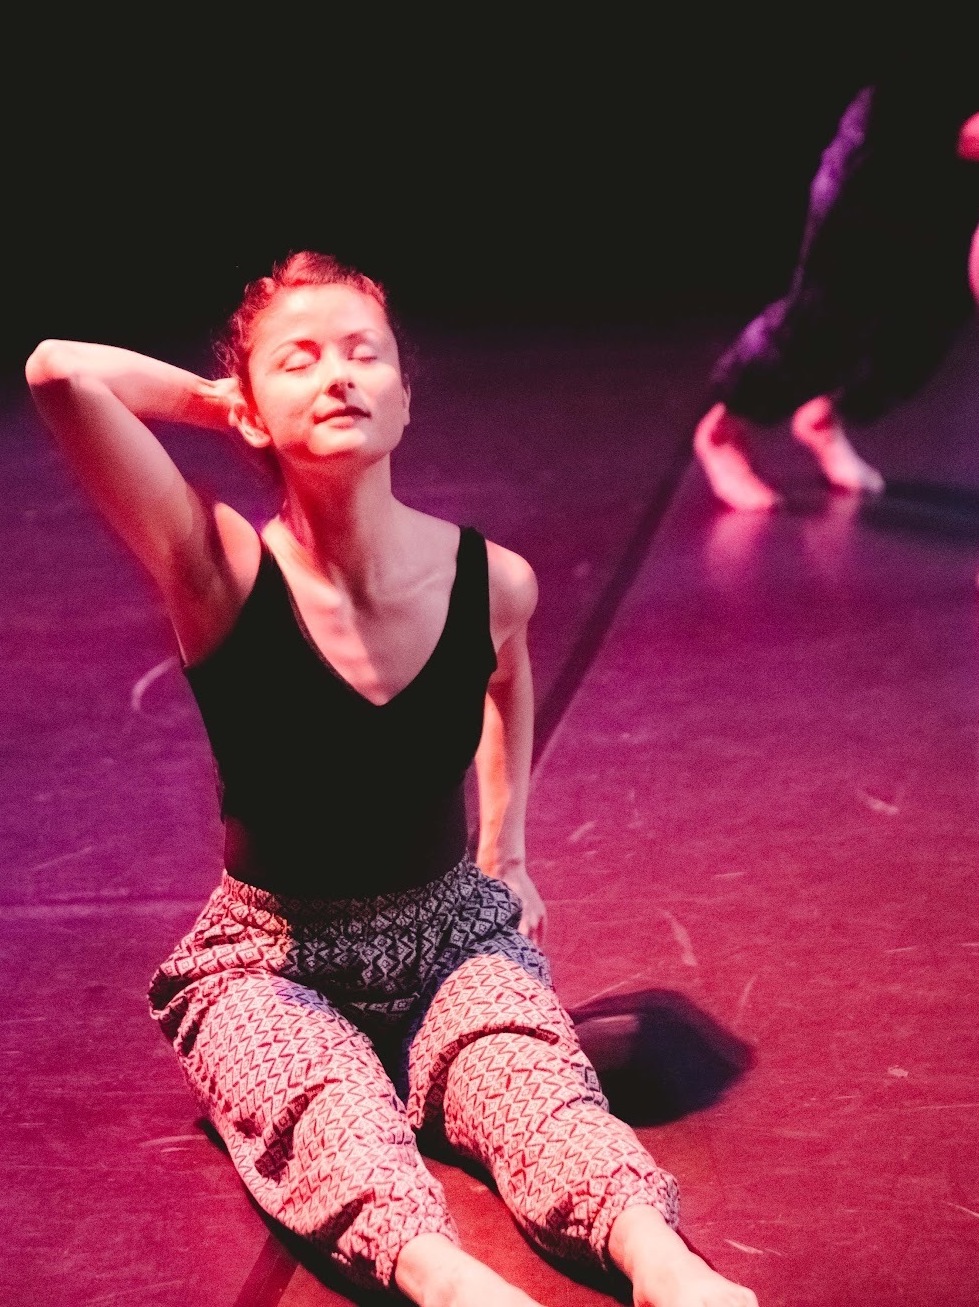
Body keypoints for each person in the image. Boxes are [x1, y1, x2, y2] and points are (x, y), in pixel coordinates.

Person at [25, 252, 758, 1306]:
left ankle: (664, 1265)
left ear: (405, 398)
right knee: (327, 1112)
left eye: (364, 353)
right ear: (252, 406)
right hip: (269, 955)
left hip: (445, 930)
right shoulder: (217, 570)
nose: (338, 374)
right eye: (300, 359)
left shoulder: (492, 579)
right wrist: (221, 403)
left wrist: (506, 849)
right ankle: (450, 1284)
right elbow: (57, 371)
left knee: (535, 1088)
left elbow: (504, 676)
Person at [693, 50, 979, 513]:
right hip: (895, 149)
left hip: (963, 183)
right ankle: (724, 429)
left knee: (923, 330)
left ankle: (825, 417)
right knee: (827, 316)